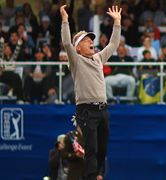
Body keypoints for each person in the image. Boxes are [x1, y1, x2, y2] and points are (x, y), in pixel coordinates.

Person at [60, 4, 121, 180]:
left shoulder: (98, 58)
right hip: (86, 110)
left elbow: (113, 43)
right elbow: (66, 43)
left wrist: (117, 23)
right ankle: (91, 177)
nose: (91, 41)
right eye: (86, 40)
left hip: (103, 110)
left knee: (102, 148)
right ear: (78, 47)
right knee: (91, 149)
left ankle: (98, 176)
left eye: (91, 39)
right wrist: (65, 21)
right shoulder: (76, 60)